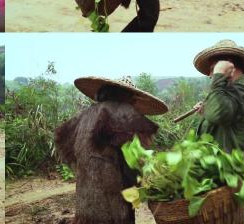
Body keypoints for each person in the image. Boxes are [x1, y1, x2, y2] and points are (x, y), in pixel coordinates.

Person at [54, 76, 168, 224]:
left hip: (85, 194)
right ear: (126, 95)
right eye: (133, 97)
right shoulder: (123, 113)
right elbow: (135, 160)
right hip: (112, 196)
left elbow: (65, 144)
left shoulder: (84, 115)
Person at [192, 40, 244, 158]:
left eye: (213, 68)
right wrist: (206, 110)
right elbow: (218, 118)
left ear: (228, 65)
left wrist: (219, 75)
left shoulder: (242, 91)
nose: (210, 75)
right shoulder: (229, 90)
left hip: (224, 168)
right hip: (212, 165)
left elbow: (218, 115)